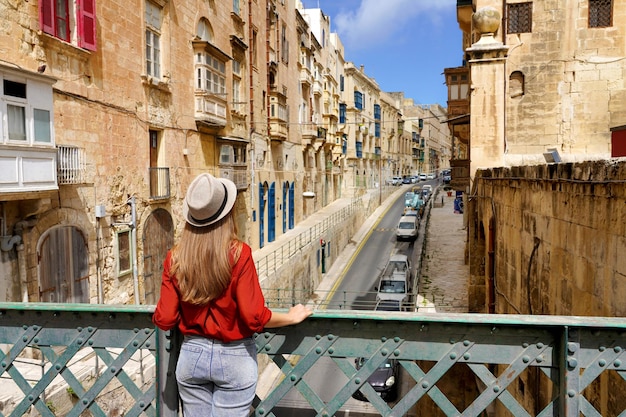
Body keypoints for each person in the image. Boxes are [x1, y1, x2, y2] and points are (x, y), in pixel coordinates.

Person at [153, 173, 313, 417]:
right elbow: (254, 317)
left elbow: (164, 318)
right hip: (235, 356)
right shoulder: (239, 254)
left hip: (191, 356)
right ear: (226, 214)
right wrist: (290, 318)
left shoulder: (175, 258)